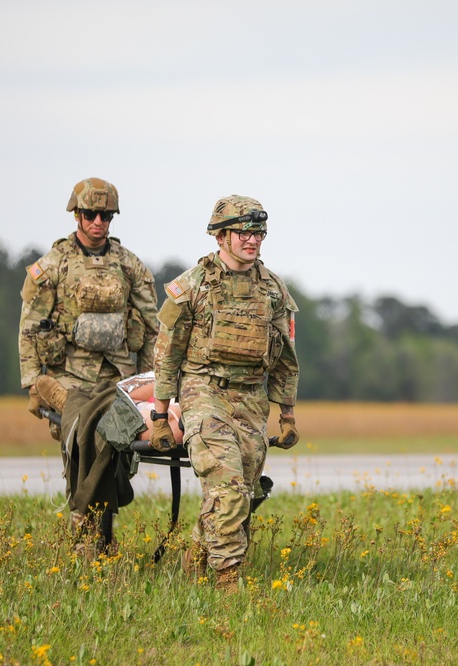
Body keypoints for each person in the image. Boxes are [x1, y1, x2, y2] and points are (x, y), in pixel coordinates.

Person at [151, 195, 300, 593]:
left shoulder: (272, 289)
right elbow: (168, 353)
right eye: (243, 232)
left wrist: (286, 415)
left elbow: (285, 358)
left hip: (251, 400)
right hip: (204, 392)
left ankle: (196, 559)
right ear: (220, 237)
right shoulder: (192, 286)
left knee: (244, 496)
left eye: (258, 233)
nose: (253, 241)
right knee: (229, 488)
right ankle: (227, 585)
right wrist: (160, 416)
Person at [19, 177, 160, 436]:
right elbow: (29, 325)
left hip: (119, 375)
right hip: (67, 377)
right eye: (90, 214)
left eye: (105, 216)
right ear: (76, 215)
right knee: (77, 445)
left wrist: (149, 381)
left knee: (121, 447)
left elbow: (153, 327)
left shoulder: (129, 265)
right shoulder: (53, 265)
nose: (98, 222)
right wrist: (32, 382)